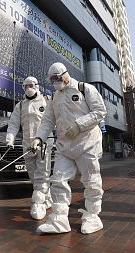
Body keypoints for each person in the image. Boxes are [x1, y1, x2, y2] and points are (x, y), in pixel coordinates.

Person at [31, 62, 107, 234]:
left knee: (91, 181)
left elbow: (100, 111)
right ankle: (59, 219)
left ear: (65, 74)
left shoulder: (84, 89)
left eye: (56, 78)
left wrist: (79, 125)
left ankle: (93, 216)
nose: (54, 82)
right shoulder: (54, 98)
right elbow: (48, 121)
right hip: (65, 146)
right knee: (57, 179)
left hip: (87, 143)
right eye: (51, 80)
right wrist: (38, 138)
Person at [6, 76, 52, 220]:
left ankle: (38, 203)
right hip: (27, 145)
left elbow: (54, 120)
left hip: (44, 144)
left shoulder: (47, 101)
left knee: (42, 173)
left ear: (37, 86)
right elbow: (13, 123)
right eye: (25, 86)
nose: (28, 88)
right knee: (33, 175)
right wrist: (10, 140)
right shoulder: (20, 105)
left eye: (31, 85)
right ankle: (47, 197)